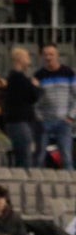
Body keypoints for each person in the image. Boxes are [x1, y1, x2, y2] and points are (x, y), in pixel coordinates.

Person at [35, 42, 76, 170]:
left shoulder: (68, 73)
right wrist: (39, 117)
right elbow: (34, 100)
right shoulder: (38, 75)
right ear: (42, 56)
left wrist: (71, 116)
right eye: (46, 55)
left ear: (57, 55)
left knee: (66, 157)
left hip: (64, 122)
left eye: (51, 54)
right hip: (44, 122)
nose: (48, 57)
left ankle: (71, 181)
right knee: (39, 157)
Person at [2, 46, 41, 169]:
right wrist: (35, 86)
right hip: (19, 121)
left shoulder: (17, 77)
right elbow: (33, 96)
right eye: (27, 57)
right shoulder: (18, 77)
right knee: (24, 155)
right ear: (20, 59)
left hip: (23, 120)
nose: (29, 61)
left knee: (26, 153)